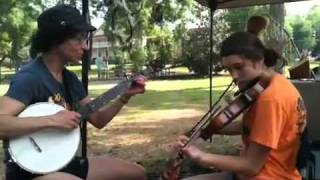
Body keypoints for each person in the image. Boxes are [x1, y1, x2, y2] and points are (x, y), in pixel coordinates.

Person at [0, 5, 146, 180]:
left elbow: (98, 120)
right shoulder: (30, 78)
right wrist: (53, 120)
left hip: (62, 163)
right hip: (29, 173)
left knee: (137, 173)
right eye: (78, 39)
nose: (85, 47)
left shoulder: (70, 79)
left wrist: (124, 96)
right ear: (56, 39)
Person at [174, 32, 307, 180]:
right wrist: (202, 131)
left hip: (268, 175)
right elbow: (256, 128)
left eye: (239, 67)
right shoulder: (278, 83)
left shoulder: (270, 99)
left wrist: (201, 156)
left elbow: (251, 166)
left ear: (259, 60)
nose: (234, 76)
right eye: (229, 69)